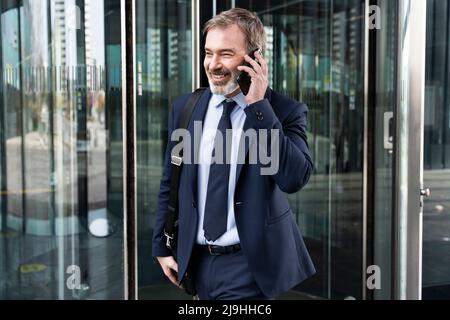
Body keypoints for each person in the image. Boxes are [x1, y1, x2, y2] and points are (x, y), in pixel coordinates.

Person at [152, 8, 315, 300]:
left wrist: (258, 108)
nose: (213, 64)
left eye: (225, 54)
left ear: (255, 58)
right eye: (208, 53)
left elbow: (293, 178)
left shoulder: (283, 111)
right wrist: (161, 246)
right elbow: (170, 181)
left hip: (248, 267)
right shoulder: (186, 109)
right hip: (197, 262)